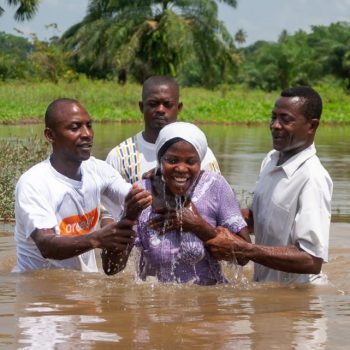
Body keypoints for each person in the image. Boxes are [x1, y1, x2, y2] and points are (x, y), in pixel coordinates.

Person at [206, 86, 333, 284]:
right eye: (273, 117)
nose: (275, 125)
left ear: (312, 126)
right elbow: (260, 220)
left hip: (297, 303)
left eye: (286, 119)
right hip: (267, 291)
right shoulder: (271, 160)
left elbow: (311, 259)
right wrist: (209, 215)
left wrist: (243, 249)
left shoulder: (313, 178)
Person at [102, 122, 251, 284]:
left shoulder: (215, 187)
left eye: (190, 161)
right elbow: (111, 269)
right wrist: (128, 218)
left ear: (200, 162)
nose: (181, 168)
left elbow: (244, 257)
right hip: (153, 303)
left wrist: (198, 226)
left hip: (206, 303)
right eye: (172, 160)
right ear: (160, 160)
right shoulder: (142, 193)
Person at [13, 98, 151, 273]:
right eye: (75, 127)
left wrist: (157, 183)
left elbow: (132, 195)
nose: (87, 134)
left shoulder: (98, 170)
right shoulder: (34, 183)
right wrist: (96, 239)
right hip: (40, 293)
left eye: (89, 125)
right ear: (50, 135)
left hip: (84, 286)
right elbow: (46, 245)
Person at [101, 75, 220, 223]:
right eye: (153, 104)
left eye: (167, 104)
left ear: (179, 107)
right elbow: (107, 213)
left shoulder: (202, 154)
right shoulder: (119, 155)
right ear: (141, 106)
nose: (160, 110)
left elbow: (217, 203)